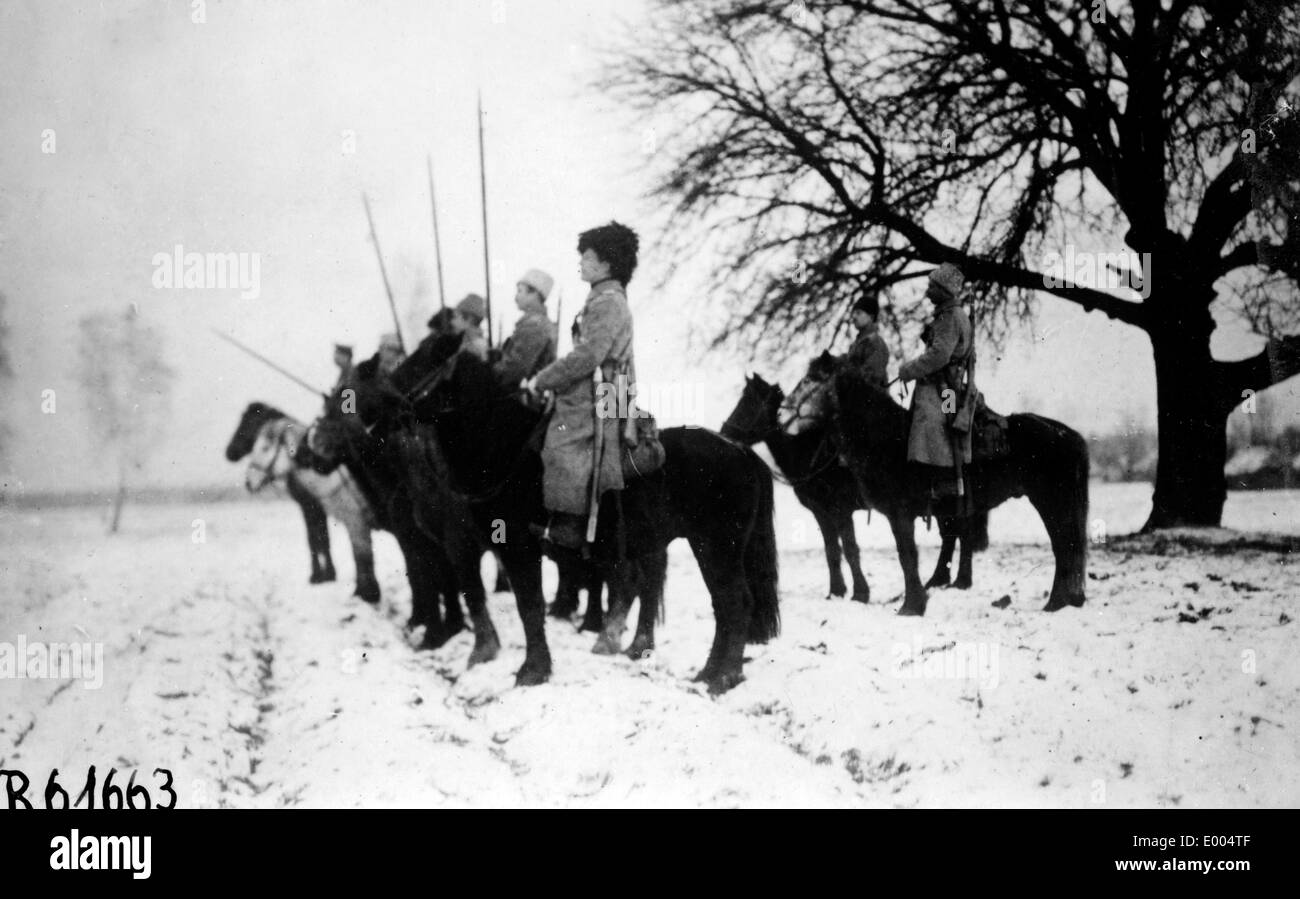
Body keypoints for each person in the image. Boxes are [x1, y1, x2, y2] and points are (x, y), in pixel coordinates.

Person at [525, 222, 639, 549]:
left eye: (587, 257)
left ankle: (570, 524)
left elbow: (589, 355)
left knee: (561, 442)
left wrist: (543, 379)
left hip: (601, 393)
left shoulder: (608, 302)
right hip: (598, 388)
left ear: (607, 264)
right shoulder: (601, 298)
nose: (581, 263)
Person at [897, 262, 973, 503]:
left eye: (932, 286)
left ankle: (943, 481)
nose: (928, 291)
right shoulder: (946, 315)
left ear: (944, 290)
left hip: (947, 390)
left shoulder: (951, 316)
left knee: (931, 419)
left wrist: (908, 370)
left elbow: (939, 356)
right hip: (945, 385)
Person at [494, 268, 558, 388]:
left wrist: (488, 372)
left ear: (534, 294)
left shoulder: (534, 325)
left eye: (520, 291)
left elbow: (515, 369)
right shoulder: (538, 323)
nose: (516, 297)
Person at [845, 294, 889, 387]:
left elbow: (873, 377)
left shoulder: (875, 342)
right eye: (853, 313)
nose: (854, 317)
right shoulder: (855, 344)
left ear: (871, 317)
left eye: (859, 313)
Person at [450, 293, 489, 360]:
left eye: (456, 317)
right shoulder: (471, 339)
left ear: (470, 319)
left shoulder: (474, 344)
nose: (453, 322)